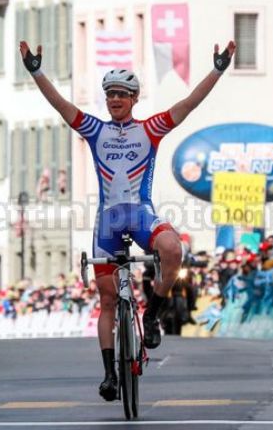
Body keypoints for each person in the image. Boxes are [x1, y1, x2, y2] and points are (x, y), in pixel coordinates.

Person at [19, 39, 236, 402]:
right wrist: (36, 71)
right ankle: (109, 375)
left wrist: (217, 69)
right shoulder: (94, 130)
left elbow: (189, 104)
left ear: (134, 99)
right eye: (110, 95)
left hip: (140, 215)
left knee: (172, 248)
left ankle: (152, 313)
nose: (115, 100)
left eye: (122, 94)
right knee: (107, 301)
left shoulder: (150, 128)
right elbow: (60, 106)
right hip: (107, 222)